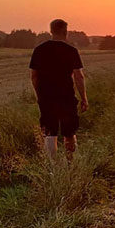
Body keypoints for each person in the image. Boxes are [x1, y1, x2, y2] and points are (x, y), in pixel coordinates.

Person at [29, 18, 88, 159]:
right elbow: (79, 76)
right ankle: (71, 164)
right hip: (66, 97)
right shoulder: (71, 51)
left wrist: (39, 96)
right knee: (69, 132)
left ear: (51, 31)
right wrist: (84, 98)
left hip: (46, 98)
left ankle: (53, 168)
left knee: (50, 132)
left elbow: (34, 76)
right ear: (65, 31)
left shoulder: (39, 50)